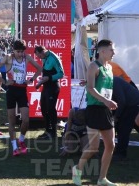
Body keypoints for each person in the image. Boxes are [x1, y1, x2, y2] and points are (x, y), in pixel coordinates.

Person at [72, 39, 118, 186]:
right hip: (94, 110)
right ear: (102, 51)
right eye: (111, 50)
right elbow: (90, 88)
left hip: (106, 109)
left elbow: (98, 84)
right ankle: (77, 170)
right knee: (93, 148)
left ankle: (101, 179)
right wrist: (106, 101)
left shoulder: (110, 67)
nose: (114, 52)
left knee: (110, 145)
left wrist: (107, 102)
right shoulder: (93, 66)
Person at [0, 39, 41, 156]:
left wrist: (32, 80)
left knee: (26, 119)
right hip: (12, 90)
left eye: (21, 51)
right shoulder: (8, 58)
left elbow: (39, 68)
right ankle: (14, 147)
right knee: (12, 120)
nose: (20, 54)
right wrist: (3, 81)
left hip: (22, 90)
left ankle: (21, 139)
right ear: (13, 50)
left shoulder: (26, 57)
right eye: (18, 51)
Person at [34, 45, 64, 140]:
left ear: (42, 52)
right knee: (43, 109)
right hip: (46, 87)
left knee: (50, 109)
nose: (39, 58)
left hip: (53, 87)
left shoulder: (54, 58)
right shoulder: (44, 58)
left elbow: (61, 74)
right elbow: (45, 74)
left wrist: (49, 78)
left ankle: (53, 132)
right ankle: (47, 131)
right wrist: (40, 83)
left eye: (39, 56)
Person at [111, 76, 139, 161]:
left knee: (123, 129)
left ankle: (120, 154)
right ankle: (118, 151)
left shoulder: (114, 82)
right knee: (123, 127)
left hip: (133, 105)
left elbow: (122, 101)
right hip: (128, 105)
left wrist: (116, 116)